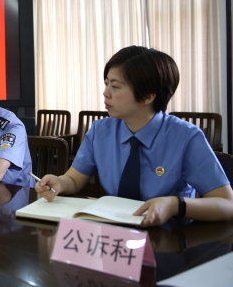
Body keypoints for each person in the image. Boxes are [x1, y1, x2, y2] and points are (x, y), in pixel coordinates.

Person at [36, 46, 233, 227]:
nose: (105, 93)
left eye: (115, 86)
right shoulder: (100, 131)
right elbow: (74, 179)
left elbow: (227, 204)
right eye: (106, 84)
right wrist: (59, 182)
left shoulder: (186, 137)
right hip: (115, 235)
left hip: (169, 239)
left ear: (147, 96)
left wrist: (175, 205)